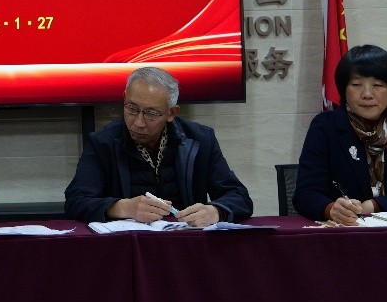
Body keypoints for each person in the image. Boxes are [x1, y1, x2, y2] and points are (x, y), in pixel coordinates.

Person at [64, 66, 252, 225]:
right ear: (124, 99)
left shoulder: (200, 140)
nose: (138, 122)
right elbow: (75, 201)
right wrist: (123, 207)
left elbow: (239, 196)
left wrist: (215, 212)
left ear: (171, 113)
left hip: (186, 243)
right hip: (127, 245)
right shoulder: (103, 143)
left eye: (151, 113)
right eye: (132, 108)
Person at [293, 44, 387, 224]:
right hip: (345, 233)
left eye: (377, 85)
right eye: (356, 85)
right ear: (344, 89)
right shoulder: (325, 127)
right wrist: (331, 209)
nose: (367, 94)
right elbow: (305, 194)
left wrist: (376, 205)